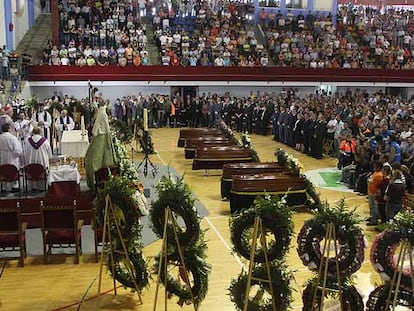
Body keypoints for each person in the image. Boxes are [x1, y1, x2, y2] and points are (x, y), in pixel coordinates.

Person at [23, 127, 52, 191]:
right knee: (43, 169)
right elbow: (50, 154)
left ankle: (32, 187)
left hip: (30, 166)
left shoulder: (27, 141)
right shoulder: (45, 141)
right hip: (42, 166)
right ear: (40, 132)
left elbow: (24, 153)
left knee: (31, 170)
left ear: (33, 132)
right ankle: (42, 187)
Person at [0, 123, 22, 192]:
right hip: (12, 157)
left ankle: (4, 187)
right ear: (9, 129)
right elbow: (18, 150)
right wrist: (17, 156)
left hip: (2, 157)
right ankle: (14, 186)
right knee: (12, 170)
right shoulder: (12, 138)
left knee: (3, 170)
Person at [367, 161, 384, 226]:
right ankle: (372, 217)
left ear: (378, 167)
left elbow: (371, 181)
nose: (373, 167)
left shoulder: (379, 175)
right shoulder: (376, 173)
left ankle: (374, 220)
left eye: (375, 166)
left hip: (374, 193)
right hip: (371, 192)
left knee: (374, 207)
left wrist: (369, 180)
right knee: (371, 206)